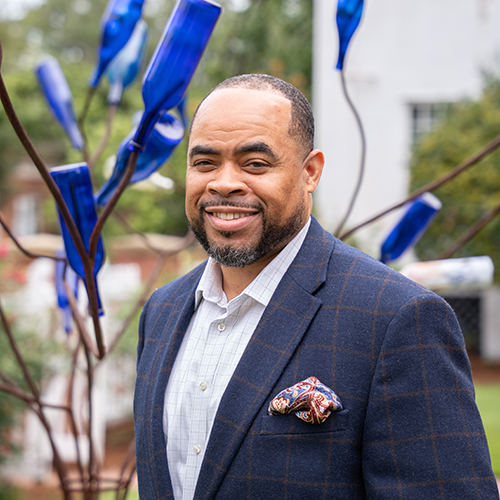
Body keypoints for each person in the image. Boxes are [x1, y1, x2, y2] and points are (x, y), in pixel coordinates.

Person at [133, 74, 499, 500]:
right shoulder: (161, 312)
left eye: (255, 164)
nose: (223, 182)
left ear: (310, 172)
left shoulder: (398, 319)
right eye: (205, 163)